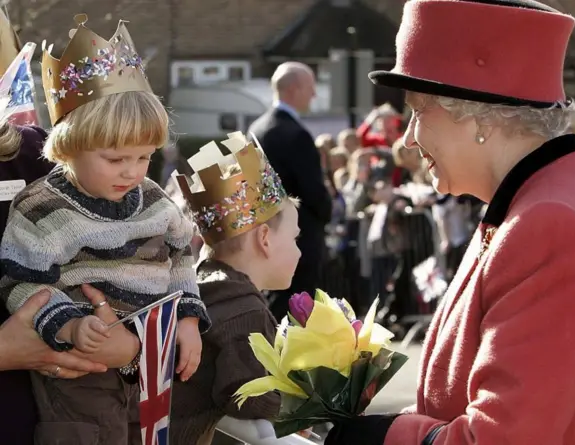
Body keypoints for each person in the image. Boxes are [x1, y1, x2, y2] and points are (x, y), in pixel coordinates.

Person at [325, 1, 575, 444]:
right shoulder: (560, 194)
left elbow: (499, 438)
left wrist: (381, 437)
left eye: (419, 109)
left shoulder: (550, 222)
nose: (409, 137)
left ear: (477, 115)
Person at [0, 15, 210, 444]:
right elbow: (24, 282)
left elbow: (178, 258)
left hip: (130, 373)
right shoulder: (43, 204)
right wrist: (63, 327)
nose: (131, 172)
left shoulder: (147, 197)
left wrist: (173, 324)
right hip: (68, 392)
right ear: (71, 147)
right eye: (116, 159)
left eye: (143, 158)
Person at [169, 133, 301, 444]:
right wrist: (297, 406)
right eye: (295, 239)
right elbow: (247, 397)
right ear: (264, 239)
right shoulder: (243, 310)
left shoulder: (201, 289)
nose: (299, 251)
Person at [249, 62, 332, 320]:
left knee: (275, 299)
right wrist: (328, 210)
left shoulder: (257, 128)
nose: (314, 95)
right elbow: (312, 190)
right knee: (299, 307)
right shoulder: (296, 134)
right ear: (294, 88)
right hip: (300, 235)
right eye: (310, 87)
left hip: (265, 232)